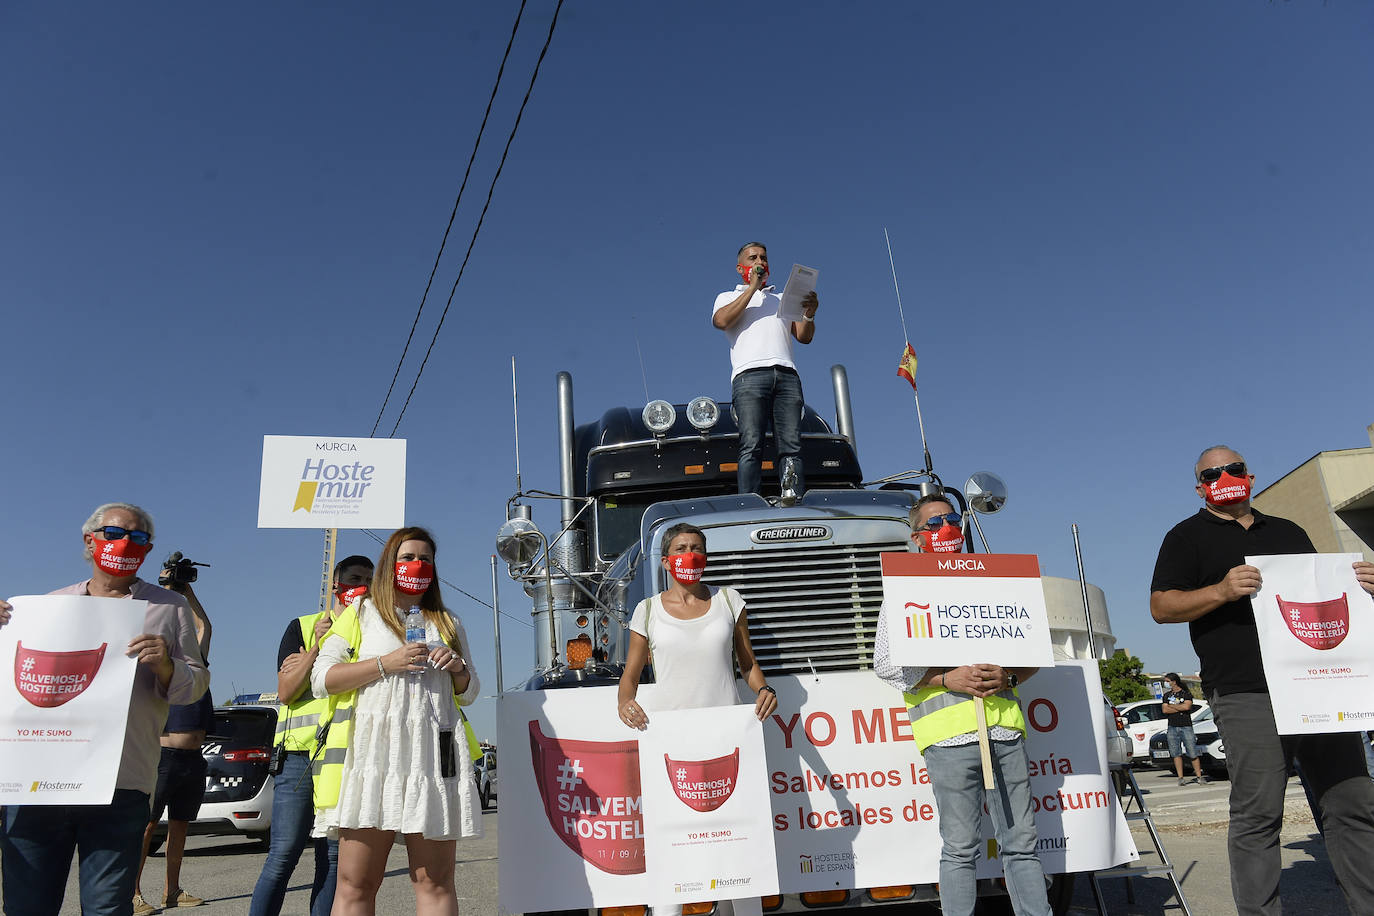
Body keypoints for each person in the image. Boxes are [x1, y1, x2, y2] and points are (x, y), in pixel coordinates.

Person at [1150, 445, 1374, 915]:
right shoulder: (1185, 536)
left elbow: (1320, 592)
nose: (1224, 476)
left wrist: (1359, 586)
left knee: (1353, 803)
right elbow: (1161, 607)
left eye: (1233, 469)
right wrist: (1220, 590)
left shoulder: (1288, 531)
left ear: (1249, 476)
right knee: (1258, 813)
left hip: (1316, 684)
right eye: (1213, 473)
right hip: (1245, 690)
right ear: (1199, 487)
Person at [0, 502, 210, 916]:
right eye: (114, 533)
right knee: (26, 907)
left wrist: (167, 665)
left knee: (107, 908)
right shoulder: (45, 607)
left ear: (148, 550)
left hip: (120, 783)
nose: (125, 543)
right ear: (89, 540)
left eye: (138, 537)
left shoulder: (169, 607)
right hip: (37, 784)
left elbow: (195, 686)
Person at [874, 494, 1050, 916]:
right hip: (949, 741)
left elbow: (1033, 657)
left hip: (1004, 733)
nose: (945, 529)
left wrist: (1006, 676)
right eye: (933, 525)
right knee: (959, 848)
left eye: (951, 519)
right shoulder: (904, 591)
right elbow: (885, 664)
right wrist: (945, 677)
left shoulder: (996, 585)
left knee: (1022, 845)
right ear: (917, 538)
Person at [310, 528, 480, 916]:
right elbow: (322, 680)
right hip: (374, 756)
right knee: (357, 884)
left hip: (437, 755)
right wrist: (386, 663)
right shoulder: (361, 612)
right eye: (407, 557)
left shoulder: (448, 621)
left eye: (426, 558)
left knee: (435, 882)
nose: (417, 565)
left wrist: (458, 671)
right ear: (390, 563)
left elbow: (469, 692)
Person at [617, 522, 778, 916]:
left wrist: (764, 689)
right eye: (681, 548)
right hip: (671, 745)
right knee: (673, 843)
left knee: (738, 844)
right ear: (668, 560)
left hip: (727, 739)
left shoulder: (729, 601)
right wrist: (625, 702)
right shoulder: (648, 609)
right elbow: (631, 674)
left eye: (696, 548)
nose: (689, 554)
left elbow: (748, 663)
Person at [248, 555, 374, 916]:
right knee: (283, 854)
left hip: (344, 759)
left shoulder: (373, 631)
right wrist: (320, 646)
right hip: (299, 760)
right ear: (336, 584)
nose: (361, 586)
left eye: (368, 579)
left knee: (333, 859)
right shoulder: (302, 626)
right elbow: (287, 691)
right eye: (353, 578)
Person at [133, 564, 215, 915]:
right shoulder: (157, 665)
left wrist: (186, 591)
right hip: (163, 756)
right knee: (147, 826)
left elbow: (204, 626)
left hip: (193, 759)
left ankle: (172, 891)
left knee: (180, 826)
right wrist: (166, 587)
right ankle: (133, 893)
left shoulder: (195, 663)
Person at [711, 241, 819, 501]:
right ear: (741, 267)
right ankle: (748, 501)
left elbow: (803, 337)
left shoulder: (782, 298)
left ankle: (793, 496)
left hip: (787, 373)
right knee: (751, 444)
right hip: (750, 375)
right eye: (753, 258)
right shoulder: (728, 297)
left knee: (791, 445)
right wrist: (752, 288)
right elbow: (721, 321)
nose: (760, 261)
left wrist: (809, 313)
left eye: (764, 257)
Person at [1160, 673, 1207, 787]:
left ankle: (1199, 776)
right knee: (1176, 753)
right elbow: (1165, 710)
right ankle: (1181, 778)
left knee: (1192, 752)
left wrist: (1172, 706)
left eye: (1167, 681)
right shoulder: (1166, 695)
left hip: (1186, 726)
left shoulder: (1186, 694)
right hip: (1172, 727)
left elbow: (1186, 707)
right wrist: (1178, 707)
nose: (1166, 683)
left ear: (1174, 681)